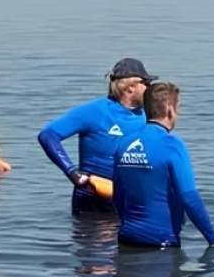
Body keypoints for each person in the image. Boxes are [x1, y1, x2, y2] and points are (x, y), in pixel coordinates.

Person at [38, 58, 156, 214]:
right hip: (94, 199)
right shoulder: (96, 111)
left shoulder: (148, 114)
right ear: (131, 87)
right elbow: (48, 135)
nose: (150, 88)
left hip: (131, 199)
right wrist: (72, 173)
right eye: (146, 83)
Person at [111, 81, 214, 249]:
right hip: (161, 243)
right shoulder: (173, 145)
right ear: (170, 109)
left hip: (126, 239)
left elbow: (117, 194)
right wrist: (212, 239)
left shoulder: (123, 143)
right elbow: (189, 198)